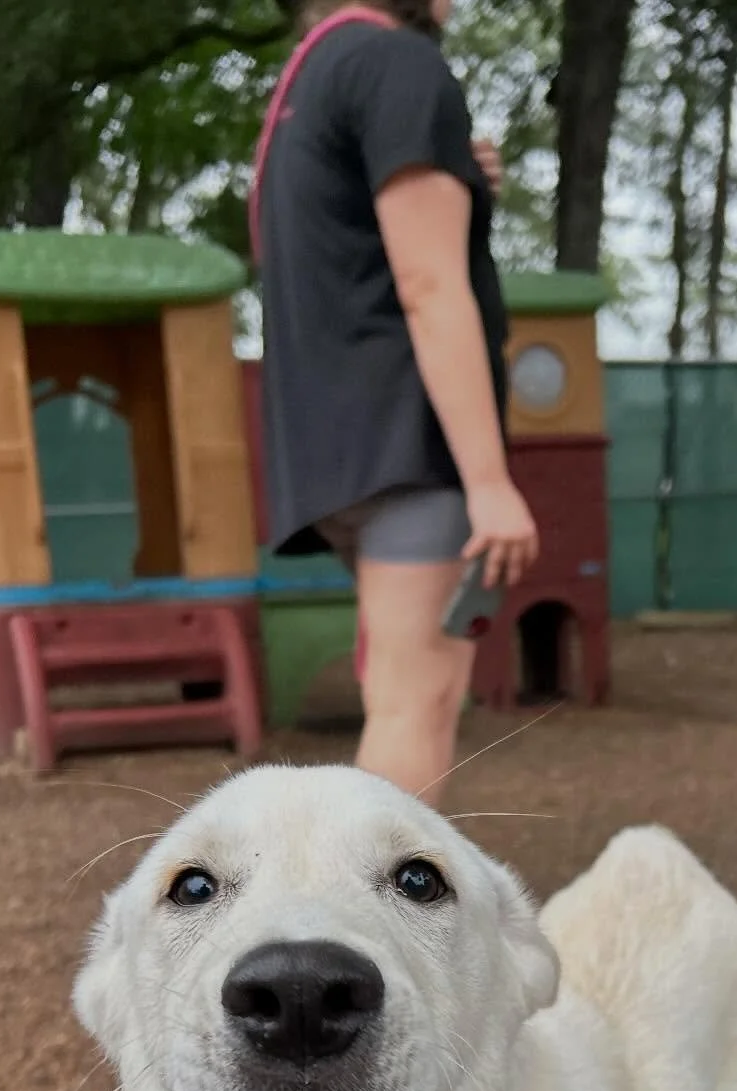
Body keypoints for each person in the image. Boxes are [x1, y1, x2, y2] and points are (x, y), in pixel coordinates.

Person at [252, 0, 538, 799]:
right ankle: (364, 887)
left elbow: (347, 240)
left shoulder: (314, 76)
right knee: (421, 702)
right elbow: (426, 282)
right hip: (408, 446)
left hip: (332, 450)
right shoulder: (400, 64)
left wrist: (459, 176)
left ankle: (362, 877)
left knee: (395, 688)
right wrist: (489, 483)